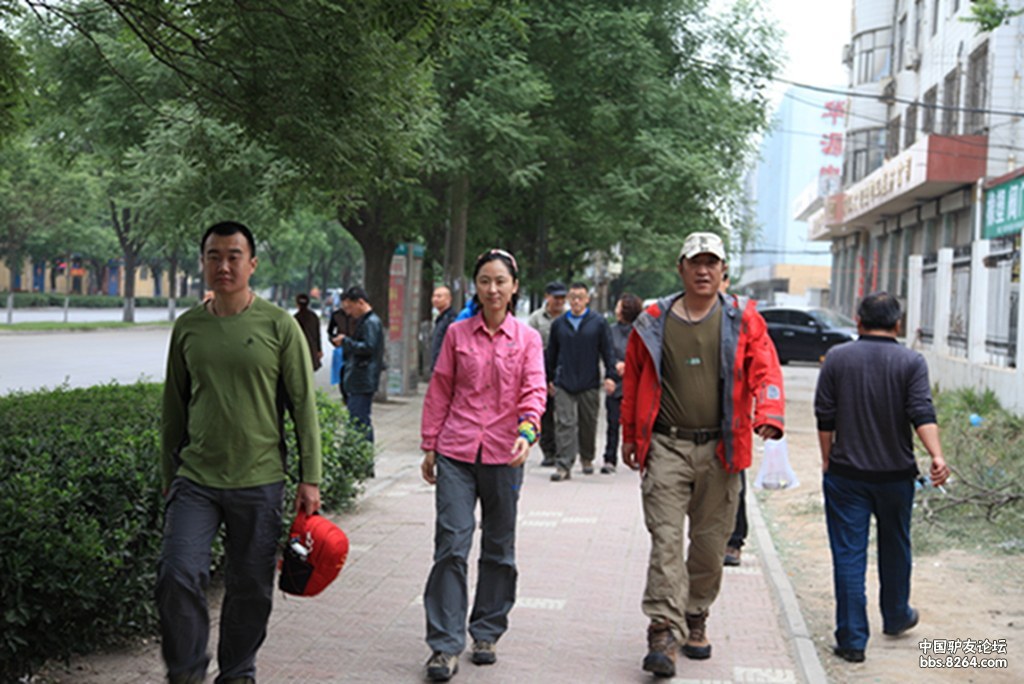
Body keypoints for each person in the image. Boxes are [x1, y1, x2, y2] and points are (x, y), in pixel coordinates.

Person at [159, 221, 322, 684]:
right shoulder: (188, 327)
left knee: (250, 588)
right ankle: (187, 672)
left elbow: (302, 406)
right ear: (203, 263)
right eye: (214, 256)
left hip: (259, 479)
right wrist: (167, 473)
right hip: (196, 479)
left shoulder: (278, 325)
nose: (224, 265)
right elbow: (174, 406)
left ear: (251, 264)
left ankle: (237, 672)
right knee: (177, 573)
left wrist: (311, 477)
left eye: (234, 255)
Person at [620, 231, 784, 678]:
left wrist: (768, 412)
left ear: (723, 270)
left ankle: (696, 614)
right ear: (681, 268)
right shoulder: (653, 319)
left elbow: (765, 369)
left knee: (711, 547)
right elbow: (634, 380)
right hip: (667, 445)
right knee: (667, 541)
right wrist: (631, 437)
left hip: (722, 449)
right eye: (696, 262)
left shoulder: (743, 318)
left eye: (712, 262)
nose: (704, 270)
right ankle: (663, 631)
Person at [419, 248, 546, 681]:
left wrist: (527, 433)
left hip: (505, 454)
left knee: (498, 547)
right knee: (452, 544)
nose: (492, 289)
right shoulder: (457, 334)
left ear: (513, 288)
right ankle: (444, 644)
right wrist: (430, 443)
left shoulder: (528, 339)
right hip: (456, 450)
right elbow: (440, 389)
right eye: (485, 281)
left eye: (501, 282)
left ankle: (487, 630)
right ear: (476, 285)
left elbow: (534, 391)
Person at [814, 291, 950, 664]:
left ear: (858, 321)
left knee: (848, 555)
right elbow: (921, 410)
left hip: (846, 476)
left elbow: (824, 415)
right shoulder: (911, 362)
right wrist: (937, 456)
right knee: (896, 546)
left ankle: (853, 640)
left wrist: (827, 459)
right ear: (897, 324)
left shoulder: (838, 359)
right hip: (895, 478)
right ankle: (895, 615)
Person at [545, 282, 617, 481]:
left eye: (580, 297)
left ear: (587, 300)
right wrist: (549, 378)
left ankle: (587, 457)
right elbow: (551, 353)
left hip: (589, 380)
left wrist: (610, 375)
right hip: (564, 381)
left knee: (588, 422)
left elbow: (607, 351)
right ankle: (563, 464)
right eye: (573, 297)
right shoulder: (559, 324)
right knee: (564, 423)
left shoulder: (598, 322)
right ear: (568, 299)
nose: (576, 301)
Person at [719, 271, 747, 567]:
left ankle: (734, 540)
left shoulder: (741, 318)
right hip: (693, 422)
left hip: (732, 418)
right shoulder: (685, 316)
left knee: (735, 483)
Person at [332, 286, 384, 444]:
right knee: (357, 420)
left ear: (360, 302)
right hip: (358, 379)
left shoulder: (371, 322)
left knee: (359, 422)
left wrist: (345, 342)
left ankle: (363, 458)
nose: (348, 312)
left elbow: (369, 347)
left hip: (363, 380)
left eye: (350, 307)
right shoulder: (365, 321)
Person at [527, 281, 567, 466]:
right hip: (541, 369)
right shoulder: (536, 319)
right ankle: (548, 451)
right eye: (555, 297)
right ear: (547, 297)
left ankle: (563, 451)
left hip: (564, 367)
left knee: (565, 415)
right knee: (545, 413)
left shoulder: (569, 317)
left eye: (562, 298)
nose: (559, 301)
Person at [602, 292, 643, 474]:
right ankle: (609, 458)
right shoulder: (610, 331)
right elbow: (606, 352)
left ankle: (639, 455)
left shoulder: (641, 331)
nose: (616, 309)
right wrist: (613, 367)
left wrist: (629, 365)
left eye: (619, 306)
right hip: (615, 381)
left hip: (636, 384)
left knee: (636, 422)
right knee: (612, 422)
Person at [293, 292, 323, 371]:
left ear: (297, 303)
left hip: (299, 349)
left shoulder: (295, 318)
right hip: (312, 349)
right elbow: (317, 334)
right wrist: (319, 349)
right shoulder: (314, 317)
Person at [430, 285, 457, 371]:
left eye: (439, 296)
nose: (435, 299)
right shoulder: (440, 318)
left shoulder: (451, 319)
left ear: (448, 299)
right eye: (434, 296)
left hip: (444, 367)